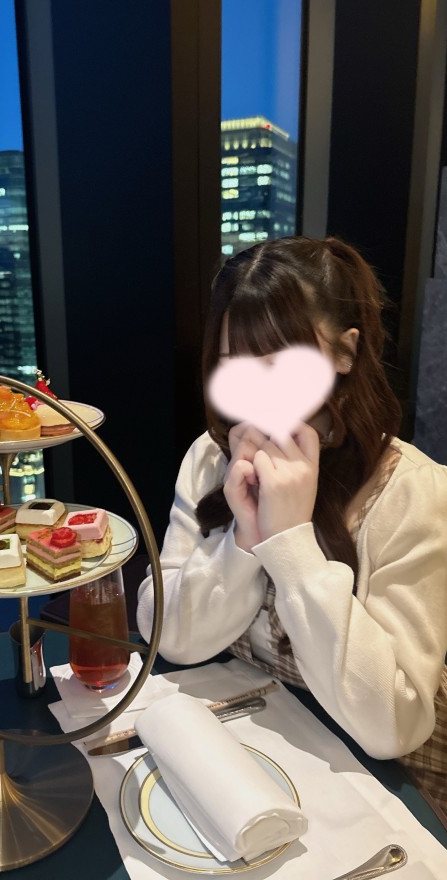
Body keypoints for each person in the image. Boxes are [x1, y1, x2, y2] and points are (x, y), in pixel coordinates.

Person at [136, 236, 447, 820]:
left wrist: (291, 543)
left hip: (379, 785)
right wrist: (243, 539)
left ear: (345, 351)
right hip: (246, 749)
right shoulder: (211, 458)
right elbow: (168, 636)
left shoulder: (411, 491)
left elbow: (394, 726)